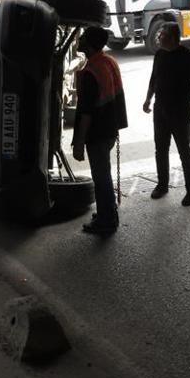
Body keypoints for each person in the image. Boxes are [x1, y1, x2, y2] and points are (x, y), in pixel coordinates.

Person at [71, 26, 128, 235]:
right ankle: (107, 212)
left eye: (84, 37)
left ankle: (106, 220)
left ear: (91, 44)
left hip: (98, 133)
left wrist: (78, 143)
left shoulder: (91, 72)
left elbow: (86, 113)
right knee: (104, 174)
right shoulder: (108, 62)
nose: (80, 39)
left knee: (101, 177)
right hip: (110, 129)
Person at [143, 22, 190, 206]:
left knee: (184, 151)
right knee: (160, 150)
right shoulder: (160, 54)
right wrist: (148, 99)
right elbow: (154, 79)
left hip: (180, 113)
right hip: (160, 111)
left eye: (161, 36)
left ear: (171, 38)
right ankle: (162, 185)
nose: (158, 38)